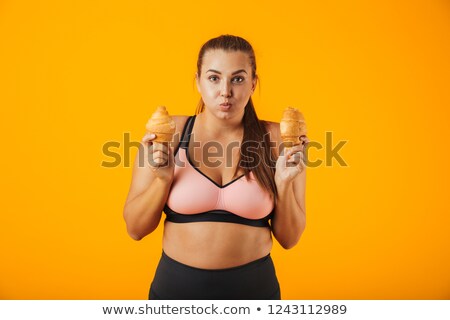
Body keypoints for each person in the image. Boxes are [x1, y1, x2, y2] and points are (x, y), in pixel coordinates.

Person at [123, 34, 309, 300]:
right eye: (213, 78)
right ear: (197, 81)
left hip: (255, 296)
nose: (225, 91)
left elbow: (290, 239)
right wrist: (162, 181)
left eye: (238, 78)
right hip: (175, 295)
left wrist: (284, 183)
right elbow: (135, 229)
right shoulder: (168, 135)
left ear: (253, 83)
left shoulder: (279, 139)